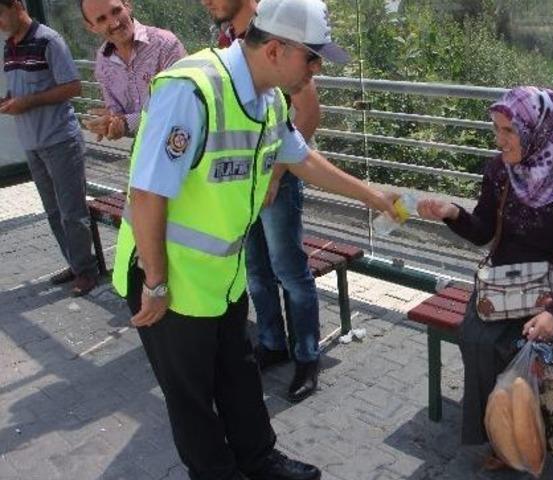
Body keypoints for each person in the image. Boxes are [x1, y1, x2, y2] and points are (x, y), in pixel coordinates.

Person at [109, 0, 397, 478]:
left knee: (239, 378)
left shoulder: (269, 99)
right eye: (312, 57)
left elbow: (301, 157)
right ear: (277, 50)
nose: (316, 70)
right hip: (169, 285)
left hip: (221, 278)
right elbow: (146, 193)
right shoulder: (192, 89)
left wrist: (374, 197)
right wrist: (156, 280)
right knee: (193, 401)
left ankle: (259, 460)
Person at [417, 86, 553, 461]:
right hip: (509, 281)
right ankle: (501, 437)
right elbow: (485, 229)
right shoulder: (501, 170)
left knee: (544, 352)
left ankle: (547, 443)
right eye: (496, 129)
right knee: (477, 337)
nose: (499, 140)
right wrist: (454, 213)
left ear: (539, 130)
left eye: (509, 130)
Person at [202, 0, 325, 402]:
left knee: (289, 269)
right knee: (254, 267)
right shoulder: (227, 42)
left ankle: (307, 355)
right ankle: (273, 342)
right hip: (242, 182)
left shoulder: (281, 37)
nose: (206, 1)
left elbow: (307, 114)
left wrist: (276, 172)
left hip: (276, 181)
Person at [0, 0, 99, 296]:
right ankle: (76, 263)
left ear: (17, 5)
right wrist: (9, 101)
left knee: (72, 211)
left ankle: (87, 272)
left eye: (0, 15)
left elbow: (73, 87)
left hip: (60, 140)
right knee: (53, 211)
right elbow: (22, 88)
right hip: (31, 142)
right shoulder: (10, 46)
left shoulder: (48, 40)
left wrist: (27, 102)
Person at [80, 0, 186, 141]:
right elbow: (115, 111)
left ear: (127, 5)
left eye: (116, 11)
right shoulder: (103, 60)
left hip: (182, 144)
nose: (115, 23)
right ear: (91, 27)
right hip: (144, 147)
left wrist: (126, 122)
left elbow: (180, 104)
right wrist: (110, 124)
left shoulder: (165, 44)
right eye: (102, 19)